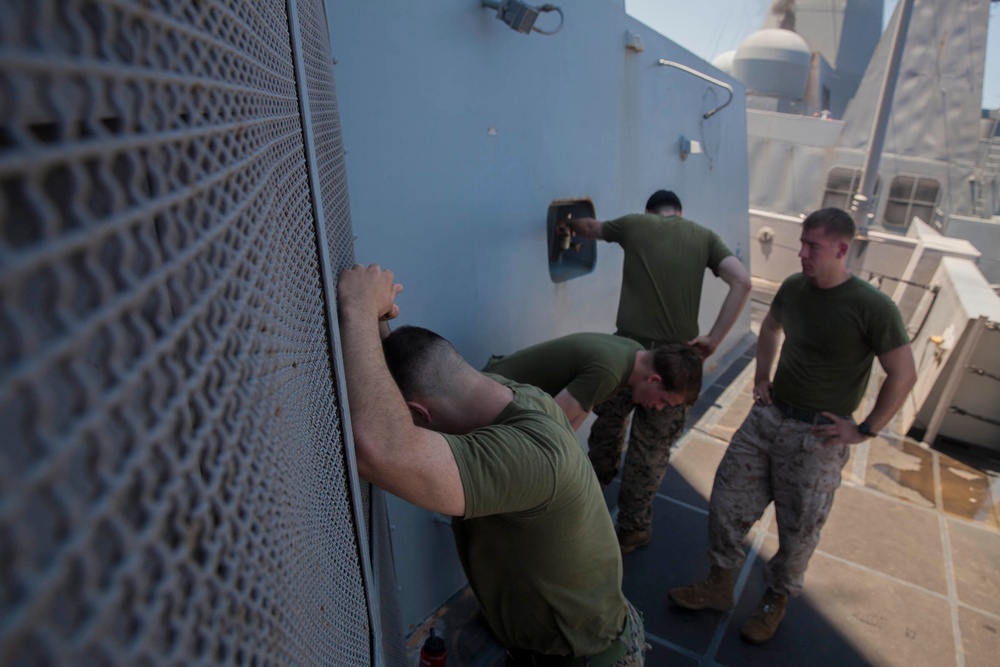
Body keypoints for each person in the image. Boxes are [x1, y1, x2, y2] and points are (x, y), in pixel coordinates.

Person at [337, 264, 646, 666]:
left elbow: (380, 448)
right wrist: (376, 323)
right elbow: (400, 385)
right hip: (554, 639)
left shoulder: (528, 457)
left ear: (420, 414)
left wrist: (358, 307)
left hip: (584, 657)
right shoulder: (516, 395)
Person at [667, 208, 917, 644]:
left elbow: (903, 374)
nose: (801, 253)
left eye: (812, 246)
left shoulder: (873, 307)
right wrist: (762, 378)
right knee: (726, 500)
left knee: (799, 527)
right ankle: (719, 583)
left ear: (841, 249)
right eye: (801, 243)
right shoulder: (794, 288)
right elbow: (770, 328)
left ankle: (775, 600)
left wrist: (864, 431)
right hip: (770, 416)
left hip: (817, 438)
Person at [560, 190, 752, 552]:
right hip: (676, 368)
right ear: (679, 212)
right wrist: (712, 339)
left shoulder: (635, 225)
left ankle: (587, 501)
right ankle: (633, 528)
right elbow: (742, 282)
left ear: (651, 212)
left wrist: (566, 225)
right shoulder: (704, 236)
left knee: (606, 431)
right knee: (650, 451)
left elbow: (590, 227)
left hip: (626, 357)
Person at [485, 332, 703, 430]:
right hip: (491, 399)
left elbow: (581, 410)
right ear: (654, 380)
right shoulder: (609, 372)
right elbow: (546, 426)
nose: (657, 407)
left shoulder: (632, 352)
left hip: (500, 390)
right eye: (663, 401)